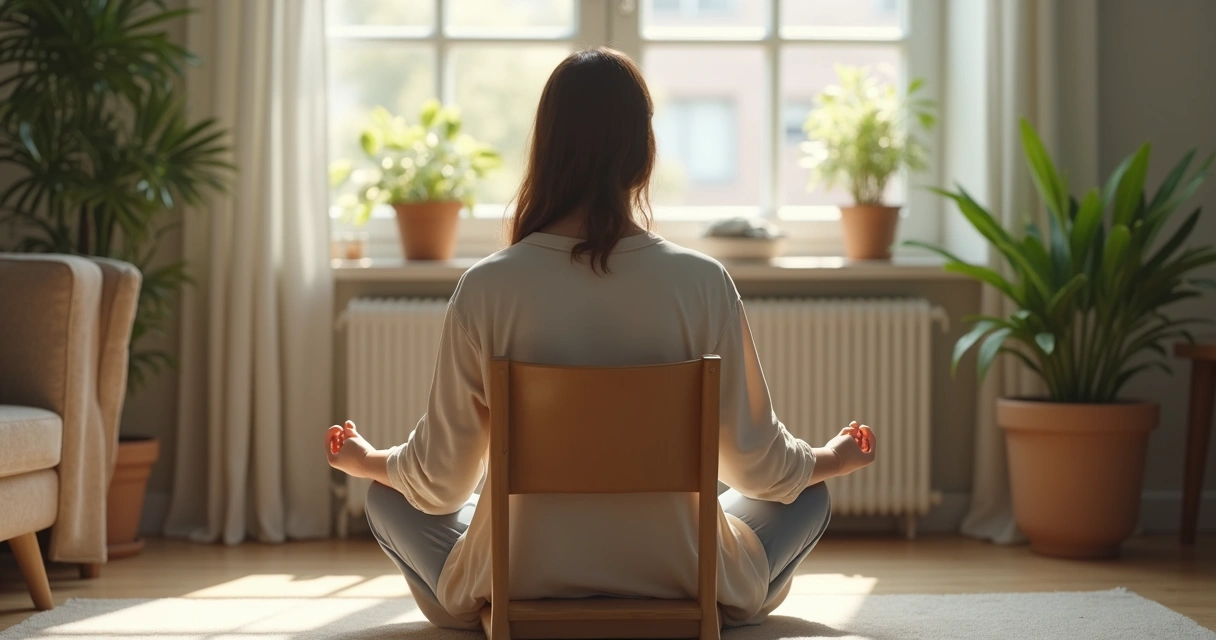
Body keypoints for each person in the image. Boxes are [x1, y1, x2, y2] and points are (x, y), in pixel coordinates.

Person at [325, 47, 876, 631]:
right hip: (685, 573)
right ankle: (718, 603)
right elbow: (760, 468)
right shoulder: (703, 283)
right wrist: (829, 458)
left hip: (518, 576)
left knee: (386, 495)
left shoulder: (486, 288)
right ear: (641, 153)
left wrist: (370, 460)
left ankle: (487, 608)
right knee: (808, 494)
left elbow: (439, 483)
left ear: (546, 148)